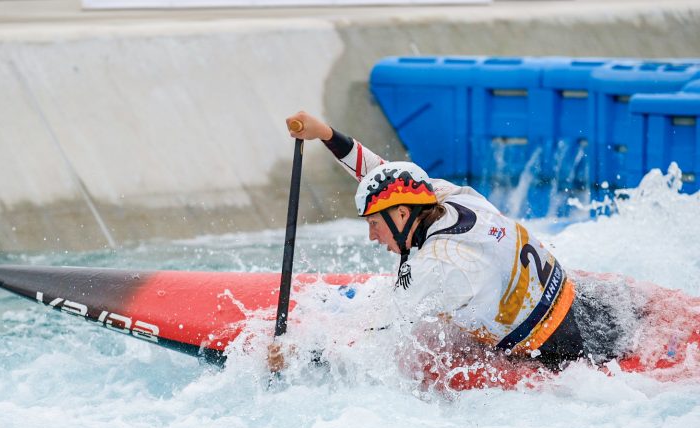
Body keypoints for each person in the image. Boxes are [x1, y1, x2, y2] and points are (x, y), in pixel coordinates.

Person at [268, 111, 632, 382]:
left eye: (374, 225)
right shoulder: (448, 196)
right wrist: (325, 133)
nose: (372, 237)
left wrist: (298, 355)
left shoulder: (440, 267)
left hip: (569, 356)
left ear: (399, 215)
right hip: (588, 303)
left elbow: (372, 345)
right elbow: (380, 173)